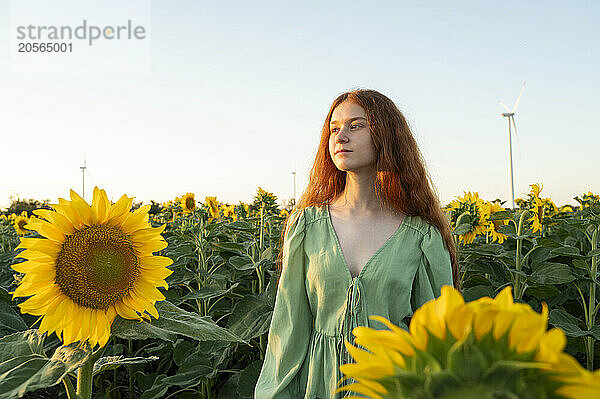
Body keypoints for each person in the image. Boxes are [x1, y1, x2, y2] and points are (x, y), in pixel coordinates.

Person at [254, 89, 458, 399]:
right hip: (320, 386)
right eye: (334, 128)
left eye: (356, 125)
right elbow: (289, 330)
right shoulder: (306, 227)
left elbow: (439, 340)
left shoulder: (421, 237)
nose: (340, 137)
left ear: (385, 136)